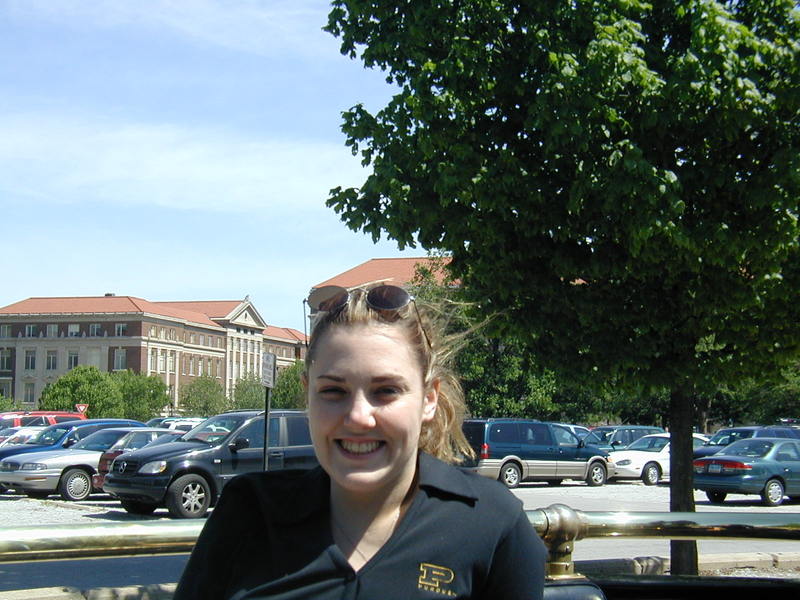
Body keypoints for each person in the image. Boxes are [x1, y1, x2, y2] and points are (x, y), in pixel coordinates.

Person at [174, 284, 547, 599]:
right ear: (308, 395)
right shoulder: (250, 513)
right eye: (333, 391)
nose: (357, 416)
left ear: (429, 399)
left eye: (386, 391)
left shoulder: (492, 524)